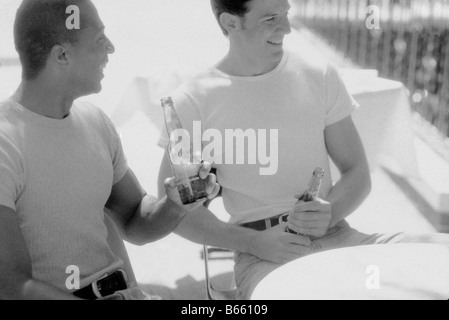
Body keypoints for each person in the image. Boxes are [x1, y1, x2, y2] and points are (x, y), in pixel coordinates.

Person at [158, 0, 449, 300]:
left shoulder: (318, 74)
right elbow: (174, 214)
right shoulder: (192, 101)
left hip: (339, 235)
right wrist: (253, 244)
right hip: (262, 256)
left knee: (440, 255)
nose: (286, 28)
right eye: (271, 18)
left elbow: (357, 172)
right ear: (231, 23)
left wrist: (331, 212)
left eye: (286, 14)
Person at [0, 0, 220, 300]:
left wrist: (175, 205)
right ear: (62, 54)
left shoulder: (95, 121)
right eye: (100, 39)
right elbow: (12, 288)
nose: (111, 49)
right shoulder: (4, 143)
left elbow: (134, 220)